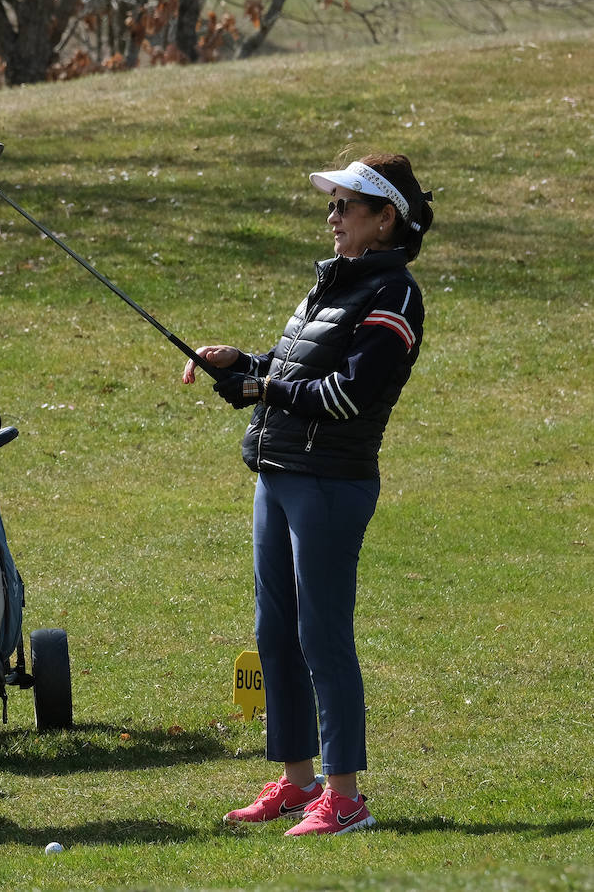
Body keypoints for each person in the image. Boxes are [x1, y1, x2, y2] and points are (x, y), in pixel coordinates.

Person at [182, 154, 433, 836]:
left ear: (385, 220)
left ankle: (347, 797)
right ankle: (298, 783)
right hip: (282, 473)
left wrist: (263, 389)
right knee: (276, 635)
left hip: (331, 482)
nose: (332, 217)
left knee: (322, 636)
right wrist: (245, 363)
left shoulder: (395, 295)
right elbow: (298, 369)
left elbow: (346, 396)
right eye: (332, 205)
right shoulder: (334, 285)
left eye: (346, 207)